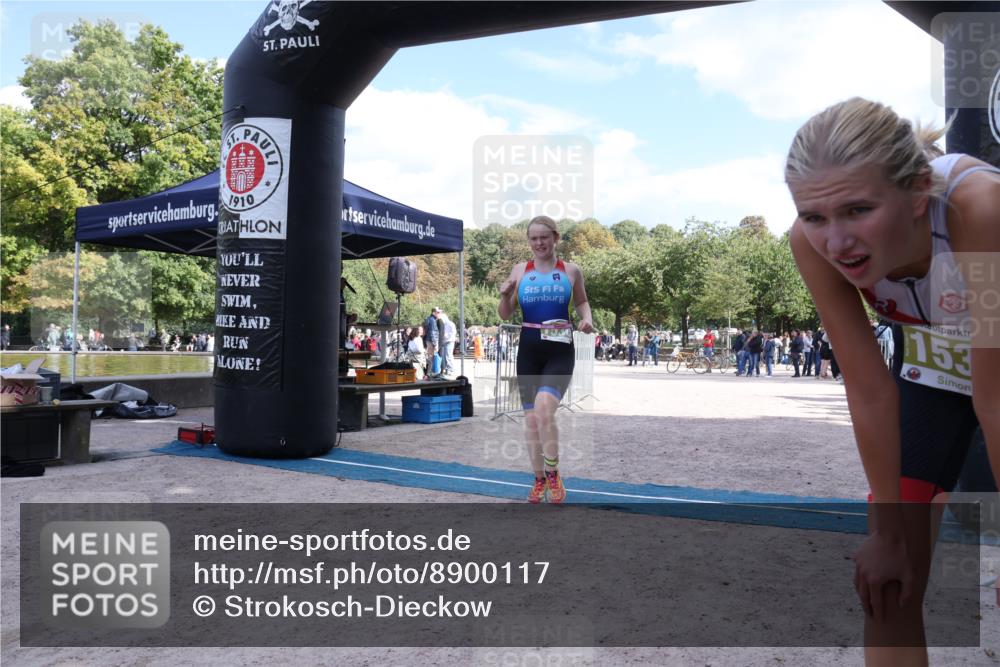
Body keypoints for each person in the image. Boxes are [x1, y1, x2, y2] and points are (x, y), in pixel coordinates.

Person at [785, 97, 1000, 663]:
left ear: (918, 191)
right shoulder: (810, 243)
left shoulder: (979, 208)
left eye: (858, 210)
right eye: (815, 216)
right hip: (936, 371)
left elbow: (996, 398)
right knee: (887, 585)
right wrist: (887, 533)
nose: (836, 242)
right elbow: (868, 386)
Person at [498, 215, 593, 504]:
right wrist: (504, 296)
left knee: (543, 408)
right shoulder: (520, 270)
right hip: (529, 349)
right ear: (529, 241)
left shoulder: (571, 270)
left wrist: (586, 319)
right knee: (530, 421)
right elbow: (505, 314)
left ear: (555, 238)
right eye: (534, 238)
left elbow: (581, 302)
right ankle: (539, 480)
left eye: (544, 237)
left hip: (559, 349)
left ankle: (553, 472)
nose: (539, 243)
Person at [439, 311, 457, 377]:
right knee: (444, 356)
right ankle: (446, 369)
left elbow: (453, 333)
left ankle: (451, 369)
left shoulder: (450, 324)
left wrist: (445, 335)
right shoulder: (444, 324)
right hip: (445, 341)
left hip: (450, 341)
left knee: (448, 355)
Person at [423, 308, 440, 376]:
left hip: (428, 340)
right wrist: (435, 343)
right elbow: (433, 332)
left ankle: (427, 373)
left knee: (430, 357)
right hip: (431, 341)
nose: (439, 314)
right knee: (430, 357)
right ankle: (428, 373)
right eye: (437, 312)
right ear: (433, 313)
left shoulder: (429, 319)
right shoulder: (432, 320)